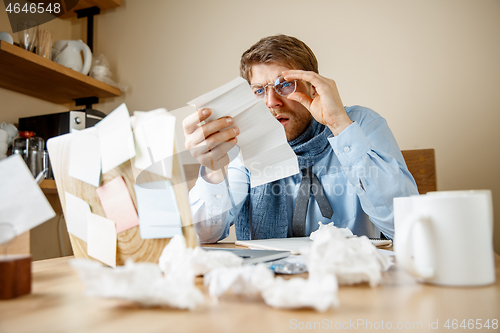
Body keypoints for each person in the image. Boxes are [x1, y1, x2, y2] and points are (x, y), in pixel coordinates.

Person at [183, 34, 418, 243]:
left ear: (313, 86)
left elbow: (405, 226)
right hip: (271, 281)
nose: (271, 101)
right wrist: (214, 170)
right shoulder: (243, 143)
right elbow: (204, 234)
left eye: (285, 85)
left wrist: (340, 126)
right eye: (259, 90)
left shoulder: (361, 125)